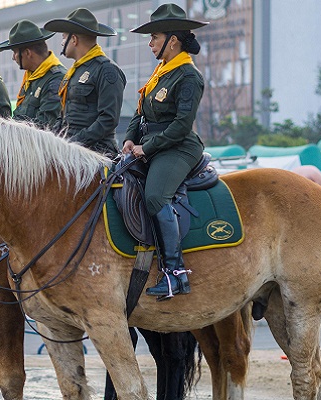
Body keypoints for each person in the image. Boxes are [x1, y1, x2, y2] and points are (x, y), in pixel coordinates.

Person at [123, 3, 208, 298]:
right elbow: (140, 111)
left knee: (156, 196)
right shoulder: (161, 72)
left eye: (154, 37)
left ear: (172, 41)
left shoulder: (188, 77)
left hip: (178, 148)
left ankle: (175, 274)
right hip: (150, 146)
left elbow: (181, 127)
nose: (150, 43)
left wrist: (147, 147)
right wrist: (130, 139)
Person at [44, 8, 126, 157]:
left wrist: (75, 142)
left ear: (74, 39)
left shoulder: (106, 70)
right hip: (70, 148)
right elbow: (64, 117)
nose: (62, 43)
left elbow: (108, 119)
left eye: (64, 37)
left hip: (96, 153)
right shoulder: (74, 72)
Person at [0, 20, 66, 128]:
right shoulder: (32, 78)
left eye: (15, 52)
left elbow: (44, 126)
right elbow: (20, 116)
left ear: (28, 53)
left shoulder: (56, 79)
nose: (13, 57)